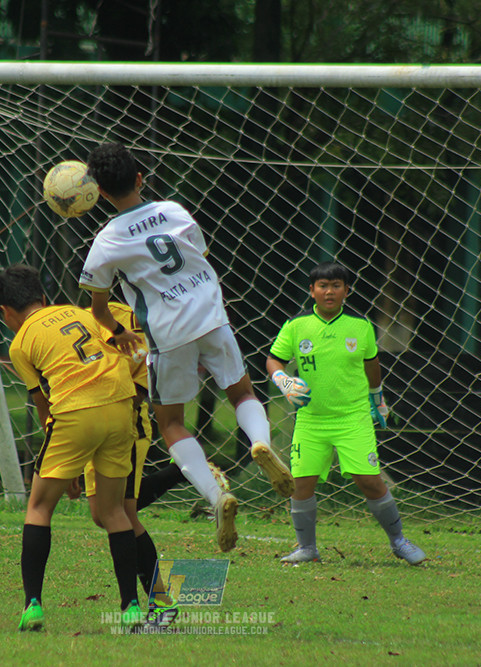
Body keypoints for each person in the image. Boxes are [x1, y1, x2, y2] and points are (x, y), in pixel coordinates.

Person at [78, 142, 294, 553]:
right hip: (211, 316)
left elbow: (99, 308)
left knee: (172, 423)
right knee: (242, 393)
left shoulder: (106, 241)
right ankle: (260, 443)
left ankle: (216, 495)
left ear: (100, 193)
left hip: (168, 333)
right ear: (140, 178)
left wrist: (117, 332)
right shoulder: (174, 210)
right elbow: (198, 255)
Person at [0, 263, 143, 633]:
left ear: (6, 312)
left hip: (76, 413)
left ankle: (33, 606)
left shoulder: (20, 344)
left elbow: (45, 408)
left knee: (39, 507)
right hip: (121, 405)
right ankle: (131, 606)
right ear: (43, 297)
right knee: (114, 512)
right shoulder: (82, 314)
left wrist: (66, 462)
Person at [266, 262, 426, 566]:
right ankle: (307, 549)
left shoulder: (360, 325)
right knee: (301, 484)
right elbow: (274, 359)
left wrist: (377, 397)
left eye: (336, 286)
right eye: (323, 286)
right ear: (312, 290)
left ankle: (399, 541)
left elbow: (371, 363)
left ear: (346, 291)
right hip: (311, 420)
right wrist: (283, 380)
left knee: (370, 481)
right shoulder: (296, 325)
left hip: (353, 418)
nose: (329, 292)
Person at [77, 301, 178, 625]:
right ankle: (178, 472)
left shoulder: (147, 322)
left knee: (123, 513)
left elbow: (139, 390)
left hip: (125, 426)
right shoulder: (88, 316)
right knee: (102, 514)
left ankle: (160, 602)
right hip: (91, 421)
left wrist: (96, 404)